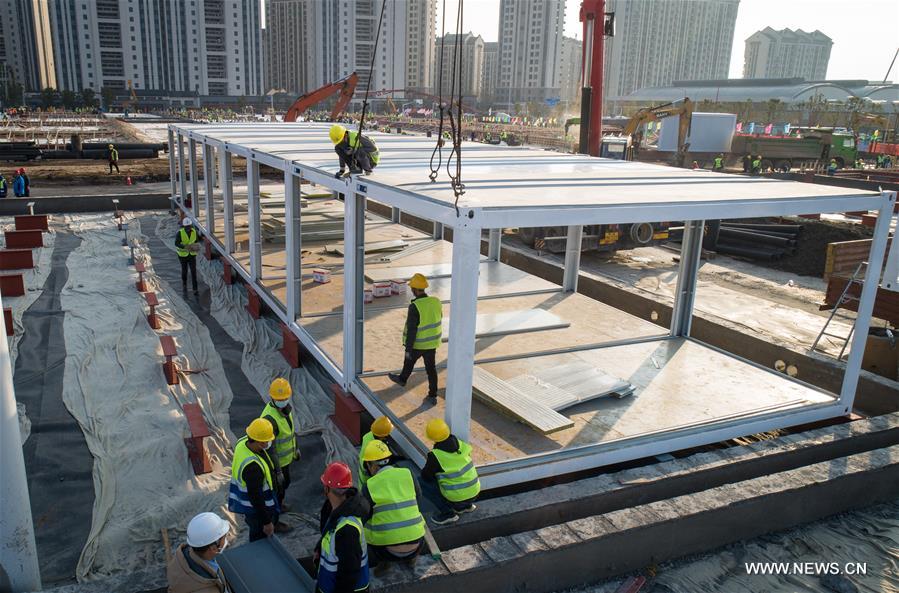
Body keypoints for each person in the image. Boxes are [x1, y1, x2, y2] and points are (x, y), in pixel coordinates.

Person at [360, 440, 425, 570]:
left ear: (371, 465)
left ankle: (384, 562)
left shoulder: (369, 485)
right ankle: (411, 558)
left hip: (386, 551)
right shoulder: (408, 473)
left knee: (362, 527)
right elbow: (418, 500)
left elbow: (364, 516)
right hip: (417, 545)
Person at [315, 462, 371, 593]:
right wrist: (319, 548)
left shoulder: (347, 529)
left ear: (327, 488)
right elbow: (329, 535)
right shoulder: (334, 509)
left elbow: (349, 573)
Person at [388, 273, 441, 404]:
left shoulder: (415, 306)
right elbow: (438, 317)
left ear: (416, 290)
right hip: (432, 343)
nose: (411, 290)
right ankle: (433, 395)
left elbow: (412, 330)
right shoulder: (436, 301)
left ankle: (402, 379)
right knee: (431, 369)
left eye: (412, 288)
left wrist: (408, 348)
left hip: (419, 344)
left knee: (409, 360)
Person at [228, 419, 281, 542]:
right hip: (257, 511)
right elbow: (256, 498)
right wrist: (267, 522)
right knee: (259, 537)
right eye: (267, 440)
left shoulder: (242, 443)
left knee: (257, 530)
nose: (269, 442)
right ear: (260, 442)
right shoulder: (253, 467)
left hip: (252, 508)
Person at [419, 418, 480, 525]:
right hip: (475, 493)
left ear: (431, 437)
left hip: (457, 498)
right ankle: (466, 507)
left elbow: (426, 476)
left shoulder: (436, 456)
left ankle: (447, 513)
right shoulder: (461, 444)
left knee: (421, 482)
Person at [260, 377, 299, 520]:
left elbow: (290, 431)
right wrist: (277, 471)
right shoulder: (270, 418)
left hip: (285, 460)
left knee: (285, 484)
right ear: (272, 398)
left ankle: (279, 504)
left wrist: (296, 448)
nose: (283, 401)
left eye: (285, 398)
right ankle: (274, 518)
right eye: (279, 399)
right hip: (276, 463)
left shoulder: (285, 409)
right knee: (276, 489)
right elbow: (271, 449)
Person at [167, 512, 232, 593]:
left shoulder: (180, 557)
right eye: (224, 537)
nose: (227, 538)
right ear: (213, 548)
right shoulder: (208, 590)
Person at [359, 416, 395, 488]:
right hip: (368, 482)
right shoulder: (374, 449)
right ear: (382, 436)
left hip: (363, 478)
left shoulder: (369, 435)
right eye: (387, 434)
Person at [175, 217, 200, 295]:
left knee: (193, 271)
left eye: (189, 226)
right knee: (184, 270)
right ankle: (184, 283)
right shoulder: (180, 233)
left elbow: (196, 240)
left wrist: (195, 246)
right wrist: (184, 246)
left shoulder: (194, 232)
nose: (188, 228)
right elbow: (176, 243)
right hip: (183, 255)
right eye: (187, 227)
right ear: (184, 226)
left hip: (192, 255)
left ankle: (195, 289)